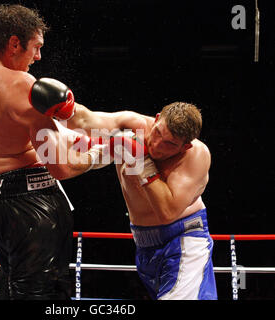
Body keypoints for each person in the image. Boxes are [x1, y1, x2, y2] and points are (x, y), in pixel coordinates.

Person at [0, 4, 105, 299]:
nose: (38, 57)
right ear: (14, 43)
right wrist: (99, 154)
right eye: (36, 47)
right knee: (42, 296)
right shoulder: (23, 85)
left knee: (10, 291)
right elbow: (61, 167)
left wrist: (65, 133)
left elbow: (2, 129)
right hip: (33, 206)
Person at [31, 83, 217, 300]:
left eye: (169, 144)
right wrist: (64, 107)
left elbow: (167, 212)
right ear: (157, 119)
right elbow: (83, 121)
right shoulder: (133, 125)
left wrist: (142, 160)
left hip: (183, 239)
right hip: (144, 244)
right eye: (157, 132)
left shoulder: (195, 157)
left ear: (185, 147)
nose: (157, 144)